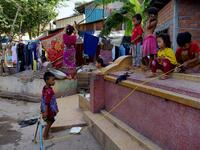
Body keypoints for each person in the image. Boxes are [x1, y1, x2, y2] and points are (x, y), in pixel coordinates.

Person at [41, 72, 59, 140]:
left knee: (50, 121)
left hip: (47, 109)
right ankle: (45, 136)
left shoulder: (45, 88)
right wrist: (45, 112)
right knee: (50, 121)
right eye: (52, 80)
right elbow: (46, 102)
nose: (54, 81)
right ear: (47, 80)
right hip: (48, 110)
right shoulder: (49, 91)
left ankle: (46, 134)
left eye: (54, 80)